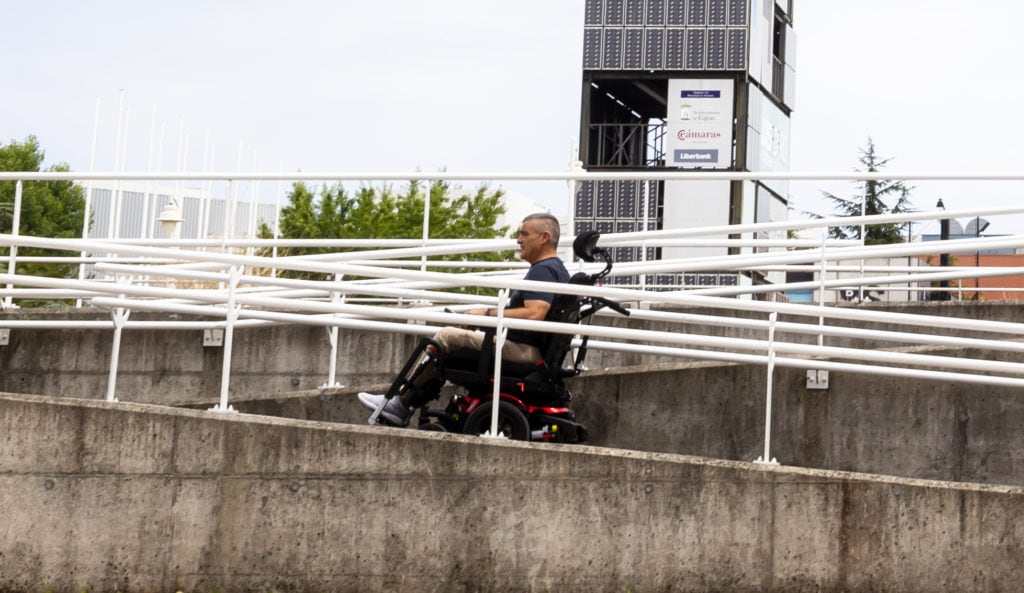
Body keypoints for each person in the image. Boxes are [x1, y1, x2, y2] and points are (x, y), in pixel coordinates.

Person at [358, 212, 570, 425]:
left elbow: (535, 313)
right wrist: (482, 317)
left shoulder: (543, 270)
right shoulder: (557, 270)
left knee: (445, 337)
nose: (519, 240)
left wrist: (485, 315)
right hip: (531, 350)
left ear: (544, 237)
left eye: (524, 234)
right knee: (450, 337)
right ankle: (403, 402)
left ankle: (400, 404)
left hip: (523, 350)